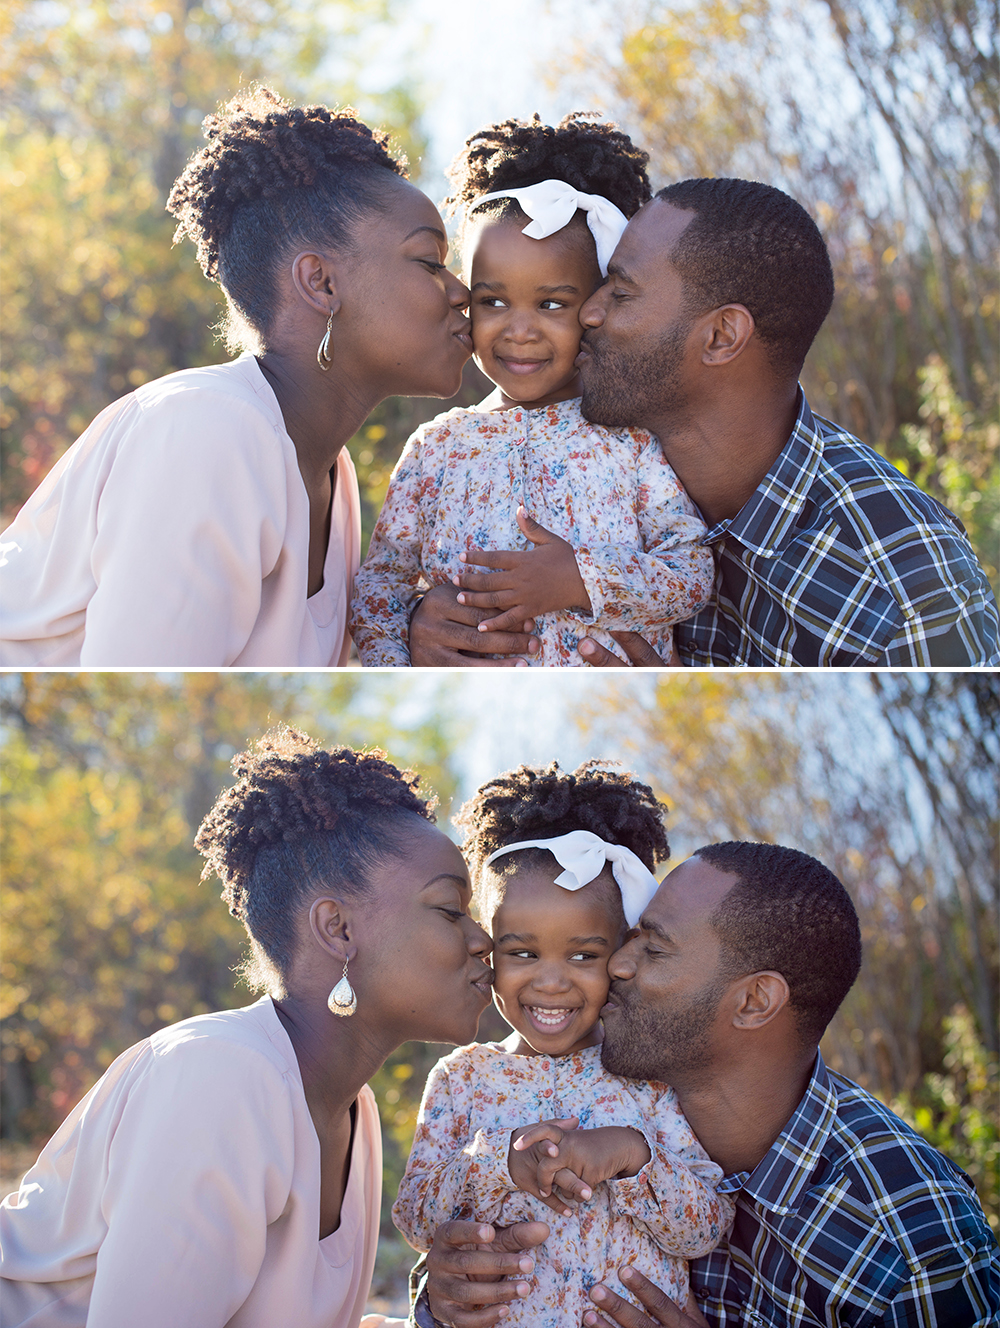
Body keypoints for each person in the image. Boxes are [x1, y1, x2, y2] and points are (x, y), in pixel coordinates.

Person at [0, 728, 495, 1328]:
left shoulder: (351, 1113)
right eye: (450, 909)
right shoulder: (220, 1076)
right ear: (337, 930)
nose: (483, 939)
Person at [418, 842, 999, 1327]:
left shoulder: (906, 1239)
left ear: (753, 1001)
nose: (617, 965)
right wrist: (442, 1294)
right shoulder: (611, 1096)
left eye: (654, 947)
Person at [0, 86, 473, 667]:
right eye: (430, 262)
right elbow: (155, 700)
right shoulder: (210, 428)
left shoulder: (334, 478)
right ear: (321, 283)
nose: (462, 291)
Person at [572, 178, 1000, 667]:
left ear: (721, 336)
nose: (587, 311)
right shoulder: (586, 465)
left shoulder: (904, 596)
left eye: (621, 293)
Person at [354, 114, 713, 667]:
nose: (518, 330)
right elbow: (378, 594)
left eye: (550, 304)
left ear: (593, 309)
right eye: (493, 301)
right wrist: (407, 651)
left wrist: (581, 579)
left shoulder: (632, 441)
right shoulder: (435, 450)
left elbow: (692, 576)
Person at [393, 763, 732, 1326]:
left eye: (583, 955)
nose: (551, 982)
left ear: (621, 955)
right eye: (522, 953)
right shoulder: (463, 1079)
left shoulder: (649, 1079)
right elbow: (415, 1220)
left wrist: (631, 1155)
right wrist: (493, 1163)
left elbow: (705, 1229)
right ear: (490, 952)